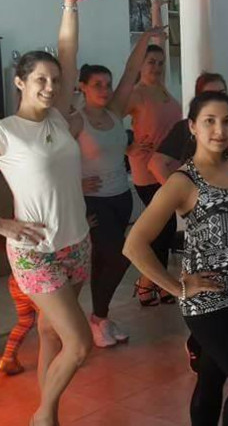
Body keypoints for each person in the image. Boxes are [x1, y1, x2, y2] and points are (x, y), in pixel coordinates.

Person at [123, 3, 228, 426]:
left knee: (212, 379)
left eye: (227, 122)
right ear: (193, 127)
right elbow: (134, 244)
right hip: (206, 300)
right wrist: (177, 286)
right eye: (210, 122)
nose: (220, 130)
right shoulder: (184, 180)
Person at [0, 0, 106, 426]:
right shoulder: (6, 132)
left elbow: (68, 50)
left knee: (50, 333)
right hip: (35, 252)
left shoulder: (59, 118)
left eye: (56, 81)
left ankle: (51, 415)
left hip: (77, 243)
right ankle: (42, 417)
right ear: (20, 82)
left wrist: (70, 1)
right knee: (79, 345)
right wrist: (2, 224)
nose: (50, 87)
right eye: (40, 79)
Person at [75, 27, 166, 348]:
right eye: (97, 84)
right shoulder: (76, 121)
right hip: (94, 201)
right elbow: (54, 159)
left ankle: (100, 319)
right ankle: (98, 317)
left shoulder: (114, 112)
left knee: (105, 259)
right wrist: (75, 183)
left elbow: (131, 71)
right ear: (82, 87)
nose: (105, 89)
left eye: (108, 84)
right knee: (120, 255)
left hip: (121, 198)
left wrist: (146, 37)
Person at [125, 0, 183, 306]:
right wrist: (129, 146)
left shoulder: (160, 87)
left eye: (160, 62)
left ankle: (151, 284)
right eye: (151, 62)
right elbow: (107, 122)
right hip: (147, 171)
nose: (157, 66)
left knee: (164, 228)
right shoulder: (136, 93)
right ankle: (150, 284)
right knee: (162, 228)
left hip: (168, 167)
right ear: (140, 64)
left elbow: (158, 41)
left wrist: (156, 9)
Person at [149, 72, 228, 185]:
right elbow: (156, 163)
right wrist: (177, 192)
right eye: (209, 96)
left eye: (222, 94)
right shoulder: (185, 127)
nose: (217, 100)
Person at [0, 275, 37, 375]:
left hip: (16, 282)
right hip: (36, 284)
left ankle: (8, 357)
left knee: (24, 322)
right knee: (51, 321)